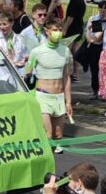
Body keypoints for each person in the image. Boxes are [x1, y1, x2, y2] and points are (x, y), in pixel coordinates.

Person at [25, 14, 72, 152]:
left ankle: (51, 169)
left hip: (58, 98)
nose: (58, 33)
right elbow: (27, 75)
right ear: (47, 31)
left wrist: (68, 101)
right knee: (47, 134)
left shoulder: (66, 51)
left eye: (60, 29)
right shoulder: (37, 52)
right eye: (54, 29)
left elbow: (66, 77)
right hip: (42, 97)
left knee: (58, 136)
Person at [0, 12, 27, 78]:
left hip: (16, 78)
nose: (2, 27)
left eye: (4, 24)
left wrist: (23, 64)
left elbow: (25, 58)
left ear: (12, 23)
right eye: (0, 24)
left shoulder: (20, 39)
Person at [62, 0, 86, 80]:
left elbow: (70, 17)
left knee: (65, 51)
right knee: (75, 52)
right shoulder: (81, 0)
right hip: (79, 27)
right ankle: (75, 73)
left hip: (72, 29)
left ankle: (65, 72)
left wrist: (64, 30)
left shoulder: (74, 0)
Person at [85, 0, 106, 98]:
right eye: (101, 8)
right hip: (93, 46)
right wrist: (90, 38)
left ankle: (104, 91)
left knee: (104, 70)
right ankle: (95, 90)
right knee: (94, 69)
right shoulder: (93, 18)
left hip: (103, 47)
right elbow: (88, 32)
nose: (103, 10)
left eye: (105, 8)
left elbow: (101, 36)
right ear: (98, 8)